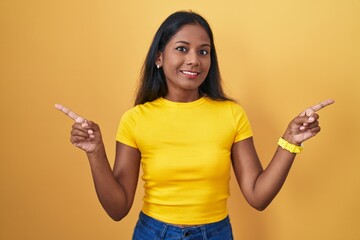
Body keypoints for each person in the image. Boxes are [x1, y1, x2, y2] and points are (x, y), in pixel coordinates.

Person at [55, 11, 334, 240]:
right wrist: (95, 152)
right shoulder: (135, 120)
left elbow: (258, 196)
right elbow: (117, 208)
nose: (194, 60)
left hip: (217, 234)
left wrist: (290, 141)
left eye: (203, 51)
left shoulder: (231, 114)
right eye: (182, 49)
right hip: (153, 234)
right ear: (159, 57)